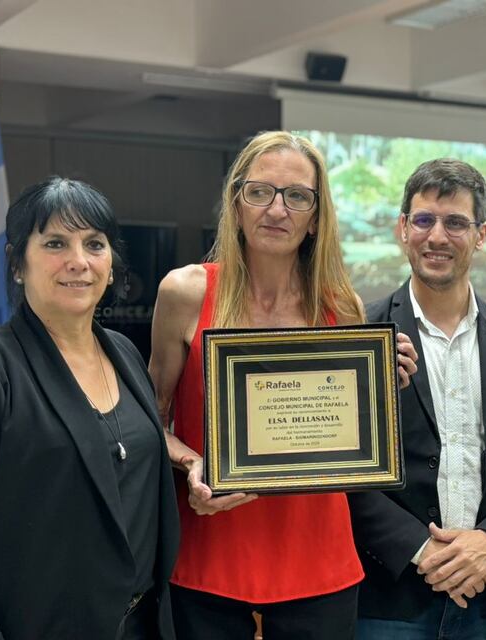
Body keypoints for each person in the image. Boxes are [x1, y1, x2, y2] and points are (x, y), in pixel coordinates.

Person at [148, 131, 416, 640]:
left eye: (297, 196)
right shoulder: (185, 291)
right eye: (260, 191)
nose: (277, 209)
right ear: (236, 203)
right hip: (211, 546)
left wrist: (382, 388)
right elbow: (151, 423)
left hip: (318, 554)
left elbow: (349, 433)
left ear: (316, 215)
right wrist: (192, 463)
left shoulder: (344, 307)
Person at [351, 158, 486, 639]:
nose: (437, 237)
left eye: (456, 223)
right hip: (388, 597)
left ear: (481, 235)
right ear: (403, 229)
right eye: (424, 220)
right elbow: (343, 467)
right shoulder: (361, 334)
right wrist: (422, 550)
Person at [0, 177, 180, 640]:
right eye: (55, 243)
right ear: (17, 264)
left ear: (110, 263)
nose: (78, 262)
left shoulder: (124, 353)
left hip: (144, 623)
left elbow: (122, 461)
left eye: (94, 244)